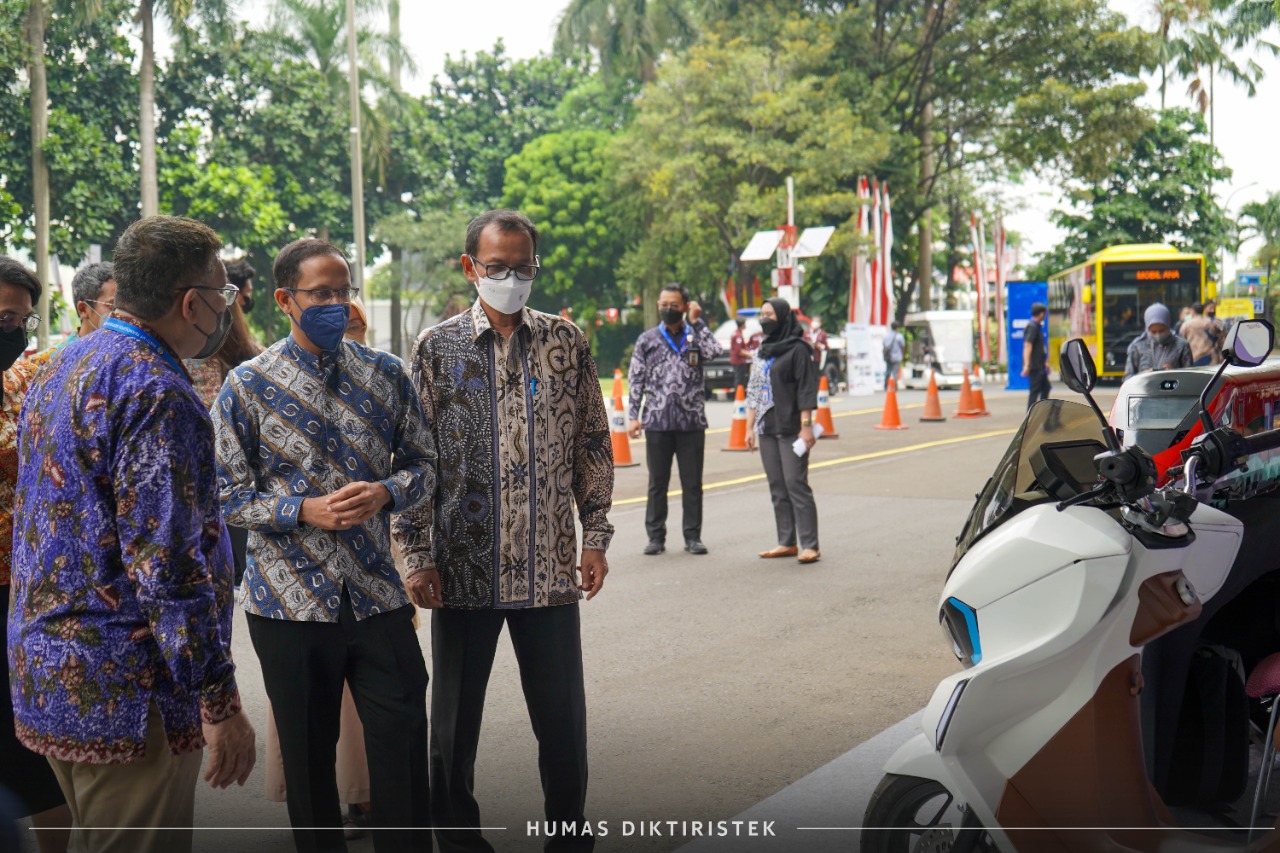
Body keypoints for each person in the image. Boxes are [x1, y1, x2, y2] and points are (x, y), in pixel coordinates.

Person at [8, 216, 257, 853]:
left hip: (51, 672)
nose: (226, 310)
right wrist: (220, 701)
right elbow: (167, 567)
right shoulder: (156, 391)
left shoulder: (64, 365)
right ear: (190, 301)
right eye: (223, 295)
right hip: (125, 690)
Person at [394, 209, 614, 853]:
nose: (511, 279)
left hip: (549, 572)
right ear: (471, 268)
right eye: (497, 268)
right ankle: (460, 843)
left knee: (563, 726)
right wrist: (414, 555)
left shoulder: (566, 343)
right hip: (462, 574)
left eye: (523, 267)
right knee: (454, 730)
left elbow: (592, 446)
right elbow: (415, 459)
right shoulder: (438, 348)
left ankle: (568, 841)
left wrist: (595, 536)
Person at [213, 238, 434, 853]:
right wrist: (299, 509)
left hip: (375, 596)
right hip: (288, 605)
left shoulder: (386, 374)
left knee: (403, 749)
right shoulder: (246, 386)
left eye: (344, 291)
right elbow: (223, 496)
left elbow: (425, 467)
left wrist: (386, 493)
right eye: (321, 294)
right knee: (310, 773)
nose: (336, 303)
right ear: (286, 300)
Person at [0, 257, 71, 853]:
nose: (12, 330)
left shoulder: (29, 380)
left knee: (30, 737)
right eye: (1, 316)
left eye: (19, 319)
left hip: (21, 585)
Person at [627, 283, 722, 556]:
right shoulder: (647, 340)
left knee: (692, 483)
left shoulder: (696, 337)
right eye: (663, 304)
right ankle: (655, 537)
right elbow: (636, 379)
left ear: (685, 306)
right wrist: (634, 416)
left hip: (691, 422)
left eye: (674, 304)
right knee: (658, 483)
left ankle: (693, 536)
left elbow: (715, 351)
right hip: (657, 422)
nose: (667, 309)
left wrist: (698, 322)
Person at [744, 298, 820, 564]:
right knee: (777, 486)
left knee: (795, 484)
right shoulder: (763, 349)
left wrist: (806, 426)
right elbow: (753, 389)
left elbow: (806, 388)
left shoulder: (799, 349)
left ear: (784, 317)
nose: (765, 318)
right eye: (762, 314)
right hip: (766, 427)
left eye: (770, 314)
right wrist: (749, 426)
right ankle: (786, 541)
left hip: (791, 428)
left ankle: (809, 544)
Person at [27, 261, 116, 369]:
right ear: (83, 309)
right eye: (112, 306)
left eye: (124, 308)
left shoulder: (127, 355)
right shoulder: (41, 364)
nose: (120, 314)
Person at [1124, 302, 1193, 380]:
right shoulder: (1138, 346)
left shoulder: (1181, 345)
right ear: (1147, 329)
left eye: (1162, 331)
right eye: (1153, 332)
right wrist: (1143, 375)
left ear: (1168, 326)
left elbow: (1189, 378)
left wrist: (1174, 373)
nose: (1158, 335)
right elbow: (1127, 378)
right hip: (1144, 391)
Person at [1021, 302, 1050, 409]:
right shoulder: (1032, 327)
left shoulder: (1037, 326)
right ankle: (1030, 418)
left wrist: (1045, 362)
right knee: (1034, 392)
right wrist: (1027, 365)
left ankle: (1042, 412)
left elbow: (1040, 347)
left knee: (1046, 388)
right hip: (1035, 366)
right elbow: (1027, 345)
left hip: (1040, 365)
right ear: (1041, 314)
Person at [1178, 302, 1223, 367]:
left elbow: (1181, 342)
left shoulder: (1185, 325)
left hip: (1193, 360)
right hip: (1212, 360)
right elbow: (1221, 341)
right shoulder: (1213, 323)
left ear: (1192, 311)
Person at [729, 317, 755, 392]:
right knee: (740, 379)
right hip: (739, 361)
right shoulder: (738, 335)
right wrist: (751, 355)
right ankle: (739, 396)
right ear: (742, 324)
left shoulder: (737, 333)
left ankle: (739, 395)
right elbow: (739, 351)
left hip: (737, 360)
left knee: (740, 378)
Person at [883, 320, 906, 390]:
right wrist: (903, 355)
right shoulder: (899, 336)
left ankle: (886, 385)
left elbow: (884, 346)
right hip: (897, 357)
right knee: (895, 372)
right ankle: (894, 386)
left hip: (888, 356)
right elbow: (902, 346)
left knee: (888, 371)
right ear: (897, 327)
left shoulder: (887, 336)